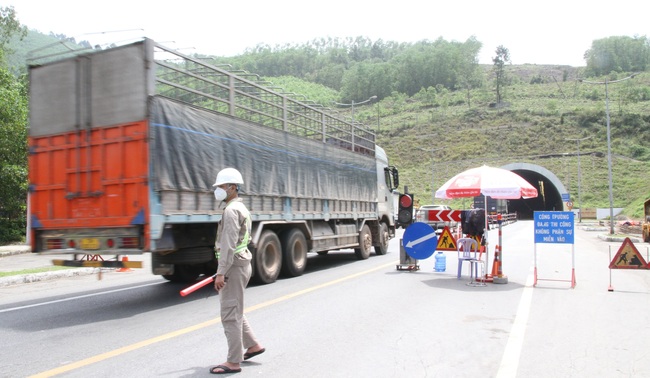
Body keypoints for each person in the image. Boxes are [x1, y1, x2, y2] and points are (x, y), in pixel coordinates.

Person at [210, 168, 265, 375]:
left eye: (221, 187)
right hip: (240, 264)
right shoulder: (240, 208)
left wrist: (221, 272)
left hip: (233, 266)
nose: (218, 190)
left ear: (232, 187)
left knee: (230, 315)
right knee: (235, 309)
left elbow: (228, 244)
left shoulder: (232, 211)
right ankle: (253, 346)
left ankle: (233, 362)